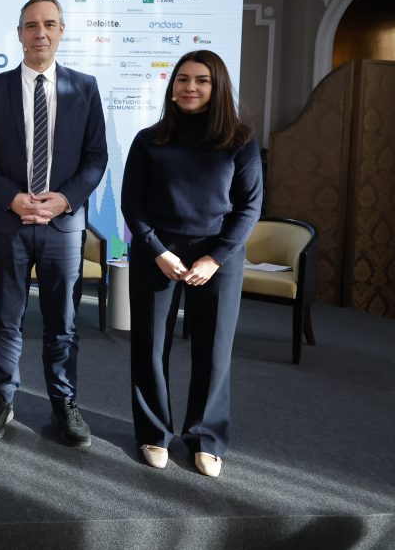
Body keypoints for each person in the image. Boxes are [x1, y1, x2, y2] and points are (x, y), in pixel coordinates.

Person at [0, 0, 107, 447]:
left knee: (62, 322)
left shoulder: (85, 88)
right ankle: (2, 398)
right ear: (19, 34)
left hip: (62, 225)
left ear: (62, 31)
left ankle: (64, 402)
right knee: (5, 318)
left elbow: (96, 157)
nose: (40, 32)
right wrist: (11, 198)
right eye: (31, 25)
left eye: (49, 24)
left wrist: (64, 200)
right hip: (8, 223)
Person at [121, 50, 261, 477]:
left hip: (218, 257)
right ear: (172, 86)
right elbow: (132, 204)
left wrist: (215, 258)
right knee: (149, 347)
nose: (190, 87)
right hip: (156, 254)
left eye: (202, 80)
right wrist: (158, 250)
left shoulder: (240, 140)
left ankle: (206, 439)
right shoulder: (149, 139)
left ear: (217, 87)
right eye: (183, 79)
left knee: (213, 350)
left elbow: (249, 206)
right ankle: (153, 432)